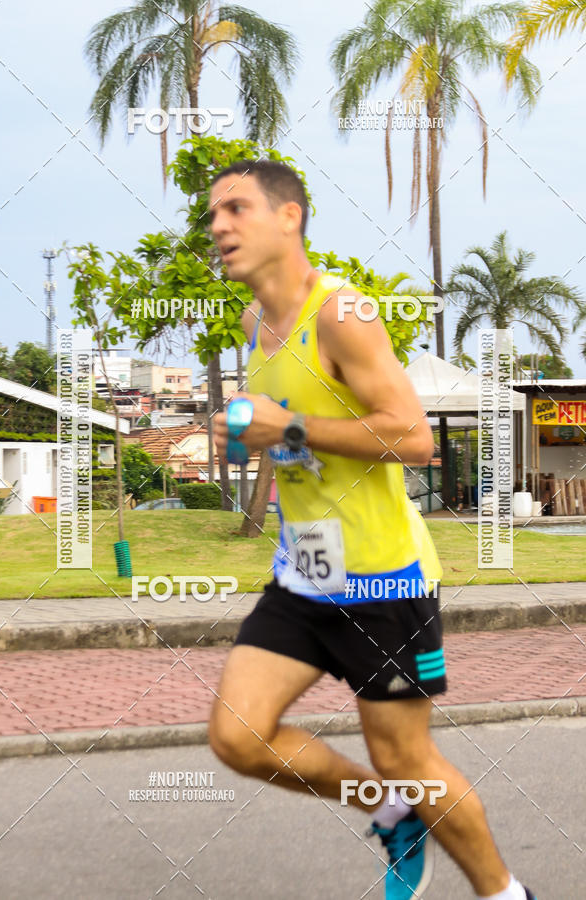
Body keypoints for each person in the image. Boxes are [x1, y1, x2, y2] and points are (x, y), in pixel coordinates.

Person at [207, 159, 536, 900]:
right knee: (238, 734)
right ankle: (388, 812)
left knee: (407, 758)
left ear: (289, 217)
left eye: (235, 208)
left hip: (383, 580)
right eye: (212, 215)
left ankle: (506, 895)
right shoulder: (254, 323)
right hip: (306, 576)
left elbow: (412, 438)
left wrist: (286, 423)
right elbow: (301, 440)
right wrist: (260, 439)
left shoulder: (341, 313)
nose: (219, 226)